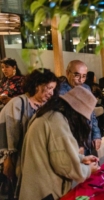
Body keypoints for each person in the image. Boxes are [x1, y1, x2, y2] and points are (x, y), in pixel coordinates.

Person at [19, 86, 100, 200]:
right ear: (76, 113)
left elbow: (58, 154)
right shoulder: (56, 121)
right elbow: (65, 165)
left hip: (37, 184)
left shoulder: (51, 114)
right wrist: (88, 170)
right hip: (43, 192)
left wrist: (81, 159)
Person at [0, 68, 59, 198]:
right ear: (37, 85)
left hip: (38, 160)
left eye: (53, 89)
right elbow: (8, 134)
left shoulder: (47, 105)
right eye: (48, 88)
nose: (51, 93)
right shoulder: (17, 103)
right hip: (18, 159)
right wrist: (7, 160)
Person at [60, 60, 101, 153]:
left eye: (84, 76)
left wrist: (96, 135)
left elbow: (92, 114)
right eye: (77, 75)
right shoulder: (60, 92)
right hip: (71, 142)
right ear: (67, 73)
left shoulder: (86, 88)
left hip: (87, 138)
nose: (80, 80)